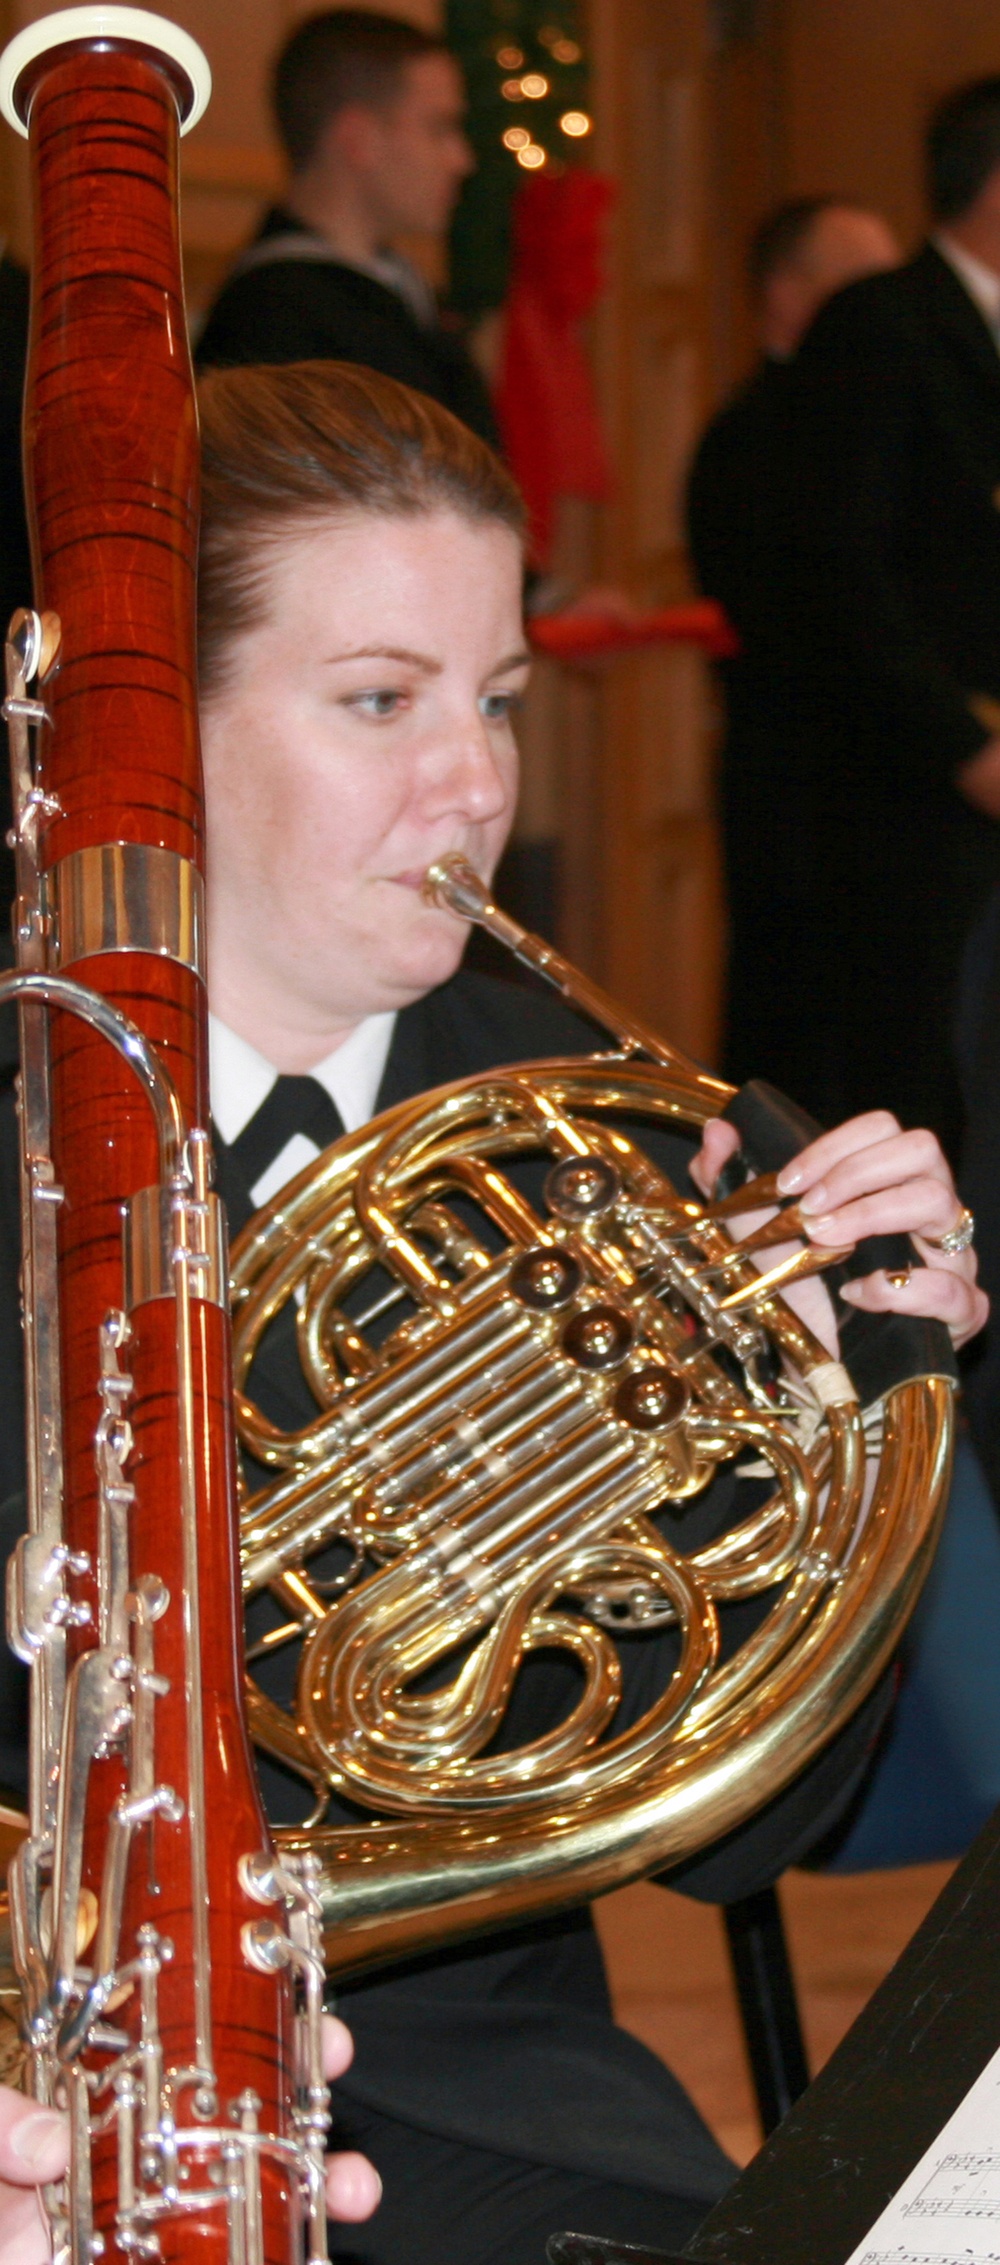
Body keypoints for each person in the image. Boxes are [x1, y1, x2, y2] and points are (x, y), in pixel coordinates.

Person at [0, 362, 984, 2265]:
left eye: (502, 699)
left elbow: (743, 1841)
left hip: (474, 2088)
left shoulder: (598, 1153)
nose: (478, 780)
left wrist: (860, 1392)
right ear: (147, 727)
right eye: (382, 701)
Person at [699, 84, 1000, 1162]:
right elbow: (837, 576)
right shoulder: (886, 322)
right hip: (904, 799)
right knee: (910, 1079)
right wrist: (967, 750)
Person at [686, 196, 900, 1113]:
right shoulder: (757, 433)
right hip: (794, 788)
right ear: (786, 291)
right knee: (797, 1038)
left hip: (850, 787)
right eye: (862, 289)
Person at [195, 9, 497, 450]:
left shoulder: (397, 292)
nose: (462, 159)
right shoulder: (274, 322)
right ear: (359, 138)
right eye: (440, 128)